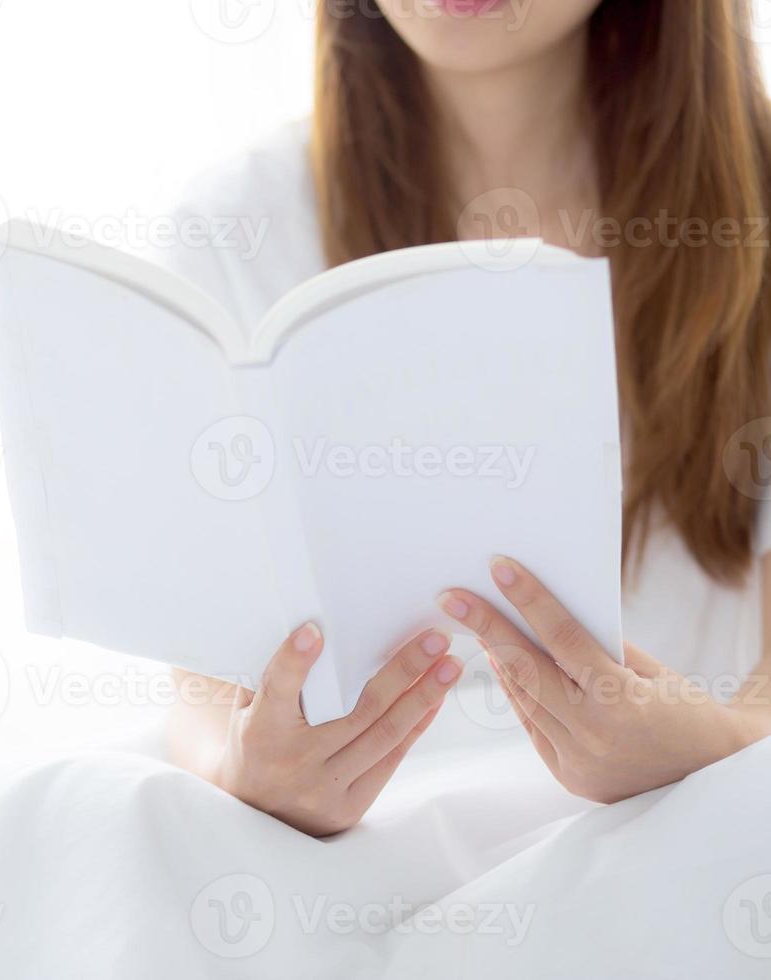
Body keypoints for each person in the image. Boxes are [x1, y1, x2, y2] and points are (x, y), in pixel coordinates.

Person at [167, 0, 771, 836]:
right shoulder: (236, 228)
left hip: (664, 840)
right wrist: (242, 772)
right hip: (345, 863)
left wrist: (713, 751)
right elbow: (199, 689)